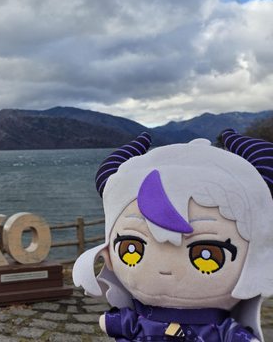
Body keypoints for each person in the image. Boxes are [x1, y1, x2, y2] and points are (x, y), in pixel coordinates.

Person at [73, 130, 273, 341]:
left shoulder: (220, 330)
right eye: (131, 249)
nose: (164, 269)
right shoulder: (141, 318)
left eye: (206, 254)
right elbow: (118, 324)